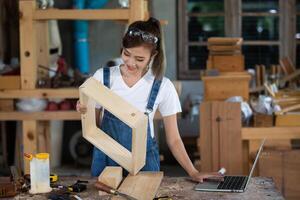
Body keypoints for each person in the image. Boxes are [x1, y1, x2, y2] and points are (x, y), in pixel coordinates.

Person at [77, 17, 223, 182]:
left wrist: (193, 171)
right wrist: (85, 110)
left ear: (153, 55)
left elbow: (174, 139)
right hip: (106, 158)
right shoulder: (102, 77)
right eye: (126, 53)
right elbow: (94, 127)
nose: (130, 62)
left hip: (144, 162)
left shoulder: (162, 86)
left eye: (139, 59)